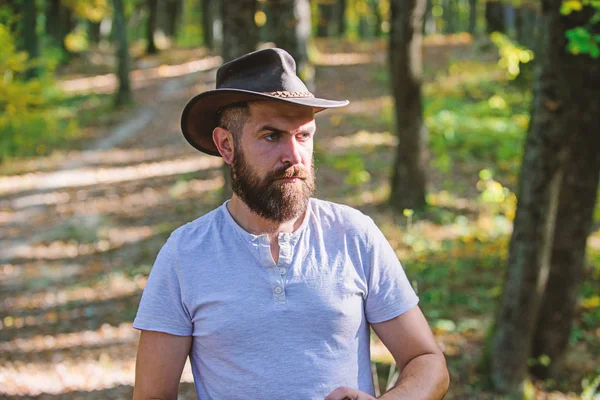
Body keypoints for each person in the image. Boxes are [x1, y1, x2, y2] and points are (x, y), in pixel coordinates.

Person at [132, 48, 449, 400]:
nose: (294, 156)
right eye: (271, 136)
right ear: (226, 145)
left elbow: (426, 360)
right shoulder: (185, 254)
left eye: (303, 136)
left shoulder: (353, 235)